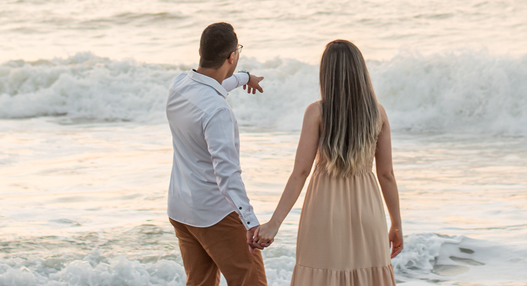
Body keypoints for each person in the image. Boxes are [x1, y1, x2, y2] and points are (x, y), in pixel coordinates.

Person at [252, 39, 403, 286]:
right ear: (361, 71)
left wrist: (275, 223)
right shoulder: (378, 113)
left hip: (324, 209)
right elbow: (387, 174)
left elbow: (300, 172)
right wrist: (396, 224)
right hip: (369, 211)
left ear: (326, 74)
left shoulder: (316, 112)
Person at [166, 22, 268, 286]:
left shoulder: (179, 84)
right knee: (251, 282)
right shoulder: (217, 112)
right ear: (232, 56)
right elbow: (227, 175)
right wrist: (251, 223)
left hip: (181, 209)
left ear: (201, 51)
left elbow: (213, 85)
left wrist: (245, 77)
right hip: (215, 214)